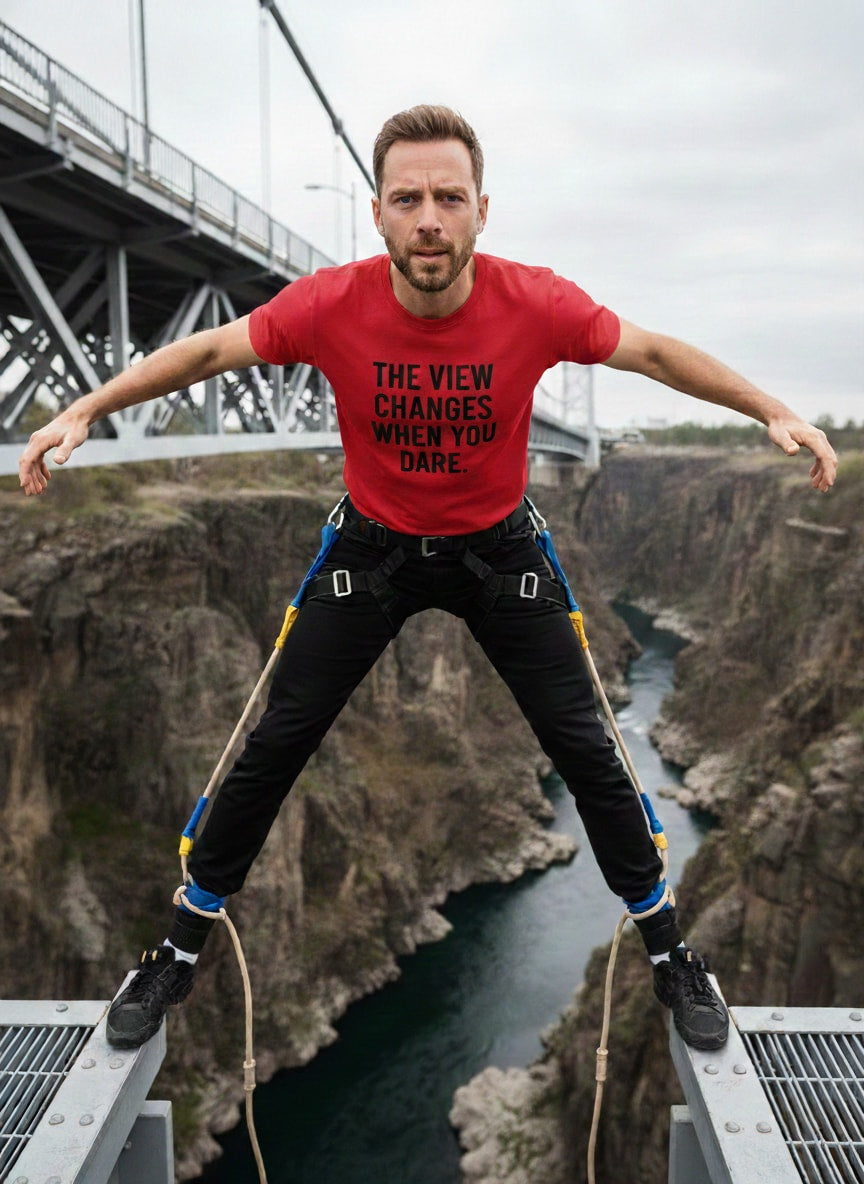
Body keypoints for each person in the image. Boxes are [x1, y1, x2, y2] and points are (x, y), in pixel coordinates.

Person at [19, 105, 837, 1054]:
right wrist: (84, 411)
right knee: (277, 740)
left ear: (482, 210)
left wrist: (771, 411)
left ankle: (668, 953)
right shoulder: (329, 304)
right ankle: (178, 945)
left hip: (499, 553)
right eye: (408, 199)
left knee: (586, 745)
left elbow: (651, 352)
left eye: (450, 198)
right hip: (373, 552)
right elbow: (205, 350)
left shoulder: (537, 303)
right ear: (378, 214)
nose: (430, 220)